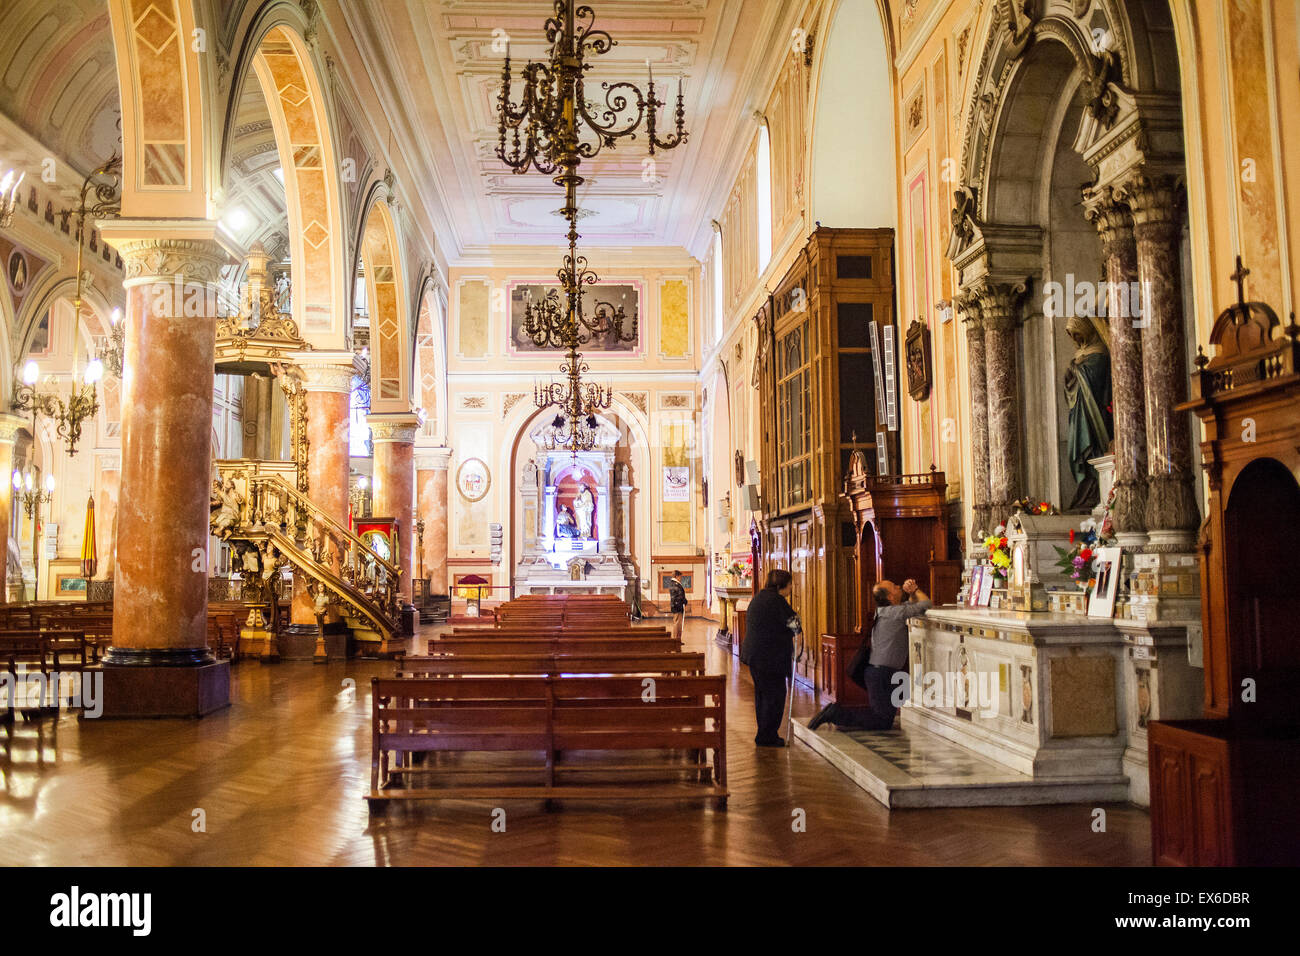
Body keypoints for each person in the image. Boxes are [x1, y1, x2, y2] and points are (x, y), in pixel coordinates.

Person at [808, 578, 931, 732]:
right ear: (890, 597)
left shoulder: (889, 612)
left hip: (880, 672)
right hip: (882, 674)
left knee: (883, 718)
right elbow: (926, 605)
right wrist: (914, 590)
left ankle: (837, 713)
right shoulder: (894, 613)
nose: (899, 586)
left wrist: (912, 593)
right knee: (881, 720)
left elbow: (913, 606)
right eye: (894, 586)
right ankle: (837, 713)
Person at [740, 569, 799, 747]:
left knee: (763, 695)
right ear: (781, 585)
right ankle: (768, 735)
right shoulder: (776, 601)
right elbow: (794, 625)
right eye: (790, 585)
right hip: (769, 658)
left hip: (756, 656)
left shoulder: (759, 597)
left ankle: (764, 733)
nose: (791, 588)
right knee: (775, 695)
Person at [667, 570, 687, 642]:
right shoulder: (675, 584)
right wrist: (684, 601)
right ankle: (675, 640)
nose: (681, 578)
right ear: (677, 576)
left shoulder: (673, 583)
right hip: (677, 606)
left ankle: (678, 639)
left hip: (676, 605)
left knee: (678, 623)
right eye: (680, 576)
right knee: (677, 623)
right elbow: (679, 595)